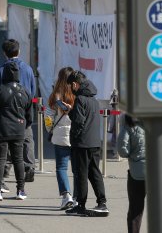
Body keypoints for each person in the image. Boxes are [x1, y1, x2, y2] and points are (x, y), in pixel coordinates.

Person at [0, 62, 33, 201]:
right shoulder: (24, 91)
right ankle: (21, 190)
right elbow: (30, 116)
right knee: (18, 159)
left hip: (1, 129)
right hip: (19, 129)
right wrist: (24, 126)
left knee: (0, 160)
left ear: (4, 74)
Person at [64, 71, 109, 217]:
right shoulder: (94, 100)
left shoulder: (80, 99)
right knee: (94, 172)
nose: (71, 88)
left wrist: (74, 138)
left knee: (81, 174)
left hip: (82, 144)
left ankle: (81, 205)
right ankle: (102, 203)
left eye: (71, 85)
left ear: (75, 84)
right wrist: (72, 112)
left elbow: (79, 122)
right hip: (94, 142)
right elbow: (85, 118)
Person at [0, 39, 37, 182]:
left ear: (4, 53)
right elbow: (32, 90)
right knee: (27, 138)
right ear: (19, 51)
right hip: (23, 108)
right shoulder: (28, 69)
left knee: (5, 140)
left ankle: (5, 168)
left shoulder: (0, 70)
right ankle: (29, 166)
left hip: (5, 110)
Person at [46, 66, 75, 210]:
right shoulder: (77, 94)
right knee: (77, 168)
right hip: (76, 136)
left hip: (60, 136)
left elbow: (48, 117)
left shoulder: (55, 96)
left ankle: (66, 195)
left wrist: (50, 129)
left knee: (62, 167)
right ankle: (77, 197)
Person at [118, 114, 146, 233]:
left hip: (137, 172)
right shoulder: (155, 122)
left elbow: (122, 149)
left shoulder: (129, 125)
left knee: (135, 209)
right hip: (157, 172)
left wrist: (131, 156)